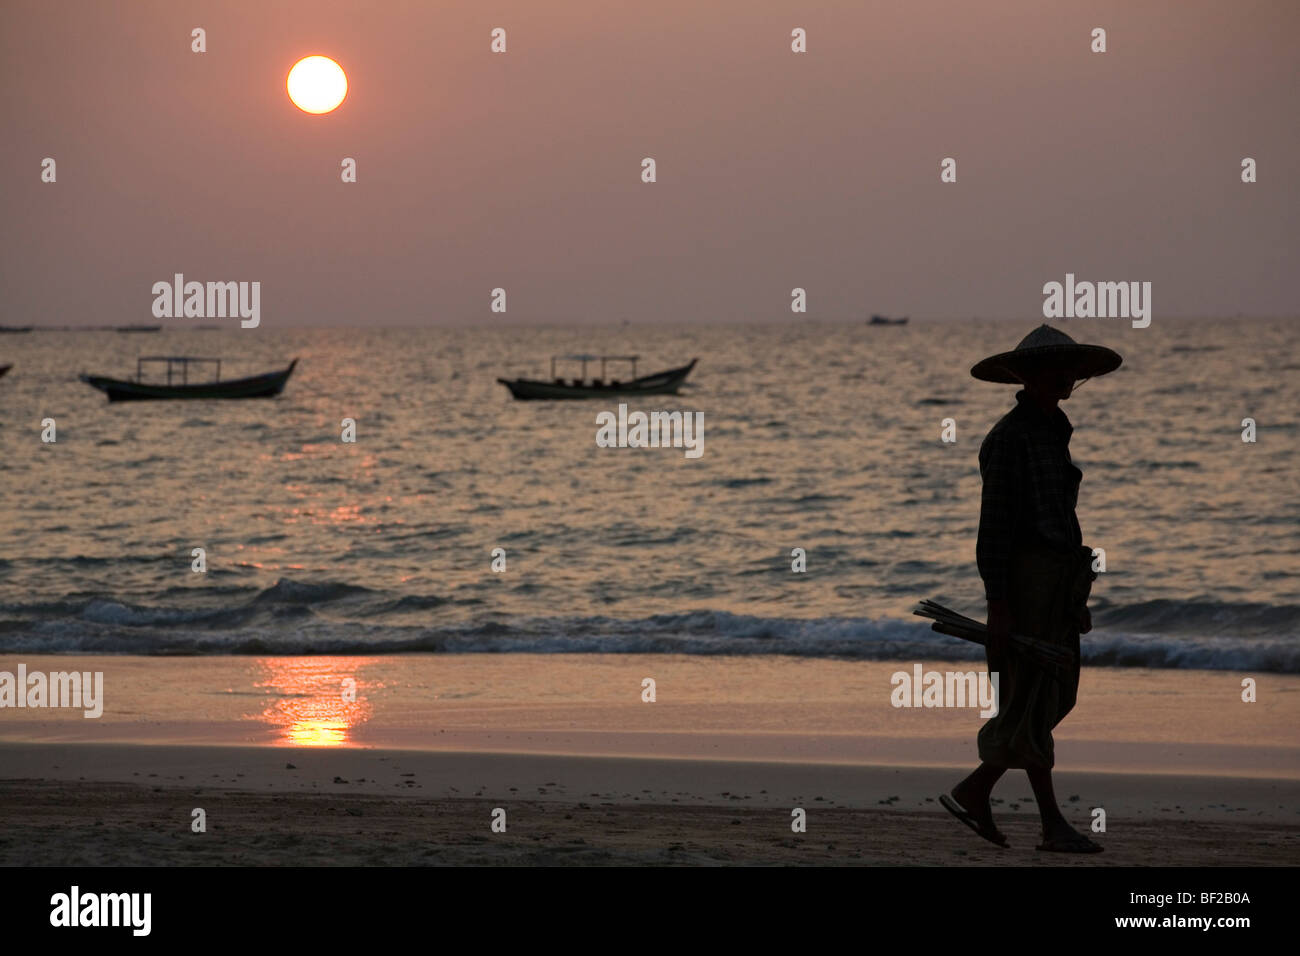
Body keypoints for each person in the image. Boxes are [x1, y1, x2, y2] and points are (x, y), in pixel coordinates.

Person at [940, 324, 1121, 853]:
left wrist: (1075, 598)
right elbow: (993, 529)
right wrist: (999, 604)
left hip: (1056, 587)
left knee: (1044, 699)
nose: (1065, 378)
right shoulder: (1010, 437)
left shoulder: (1050, 431)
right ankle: (1046, 823)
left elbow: (1061, 519)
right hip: (1026, 586)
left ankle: (980, 792)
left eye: (1069, 370)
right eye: (1053, 370)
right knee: (1033, 700)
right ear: (1025, 376)